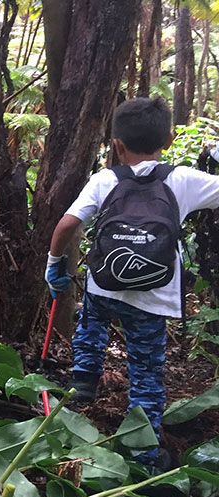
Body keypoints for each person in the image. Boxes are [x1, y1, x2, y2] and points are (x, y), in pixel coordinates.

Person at [45, 96, 219, 466]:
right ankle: (144, 449)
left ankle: (82, 387)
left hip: (103, 284)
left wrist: (54, 263)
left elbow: (68, 223)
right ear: (169, 140)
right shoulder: (183, 180)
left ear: (117, 145)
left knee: (90, 327)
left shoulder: (105, 179)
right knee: (146, 368)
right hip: (152, 296)